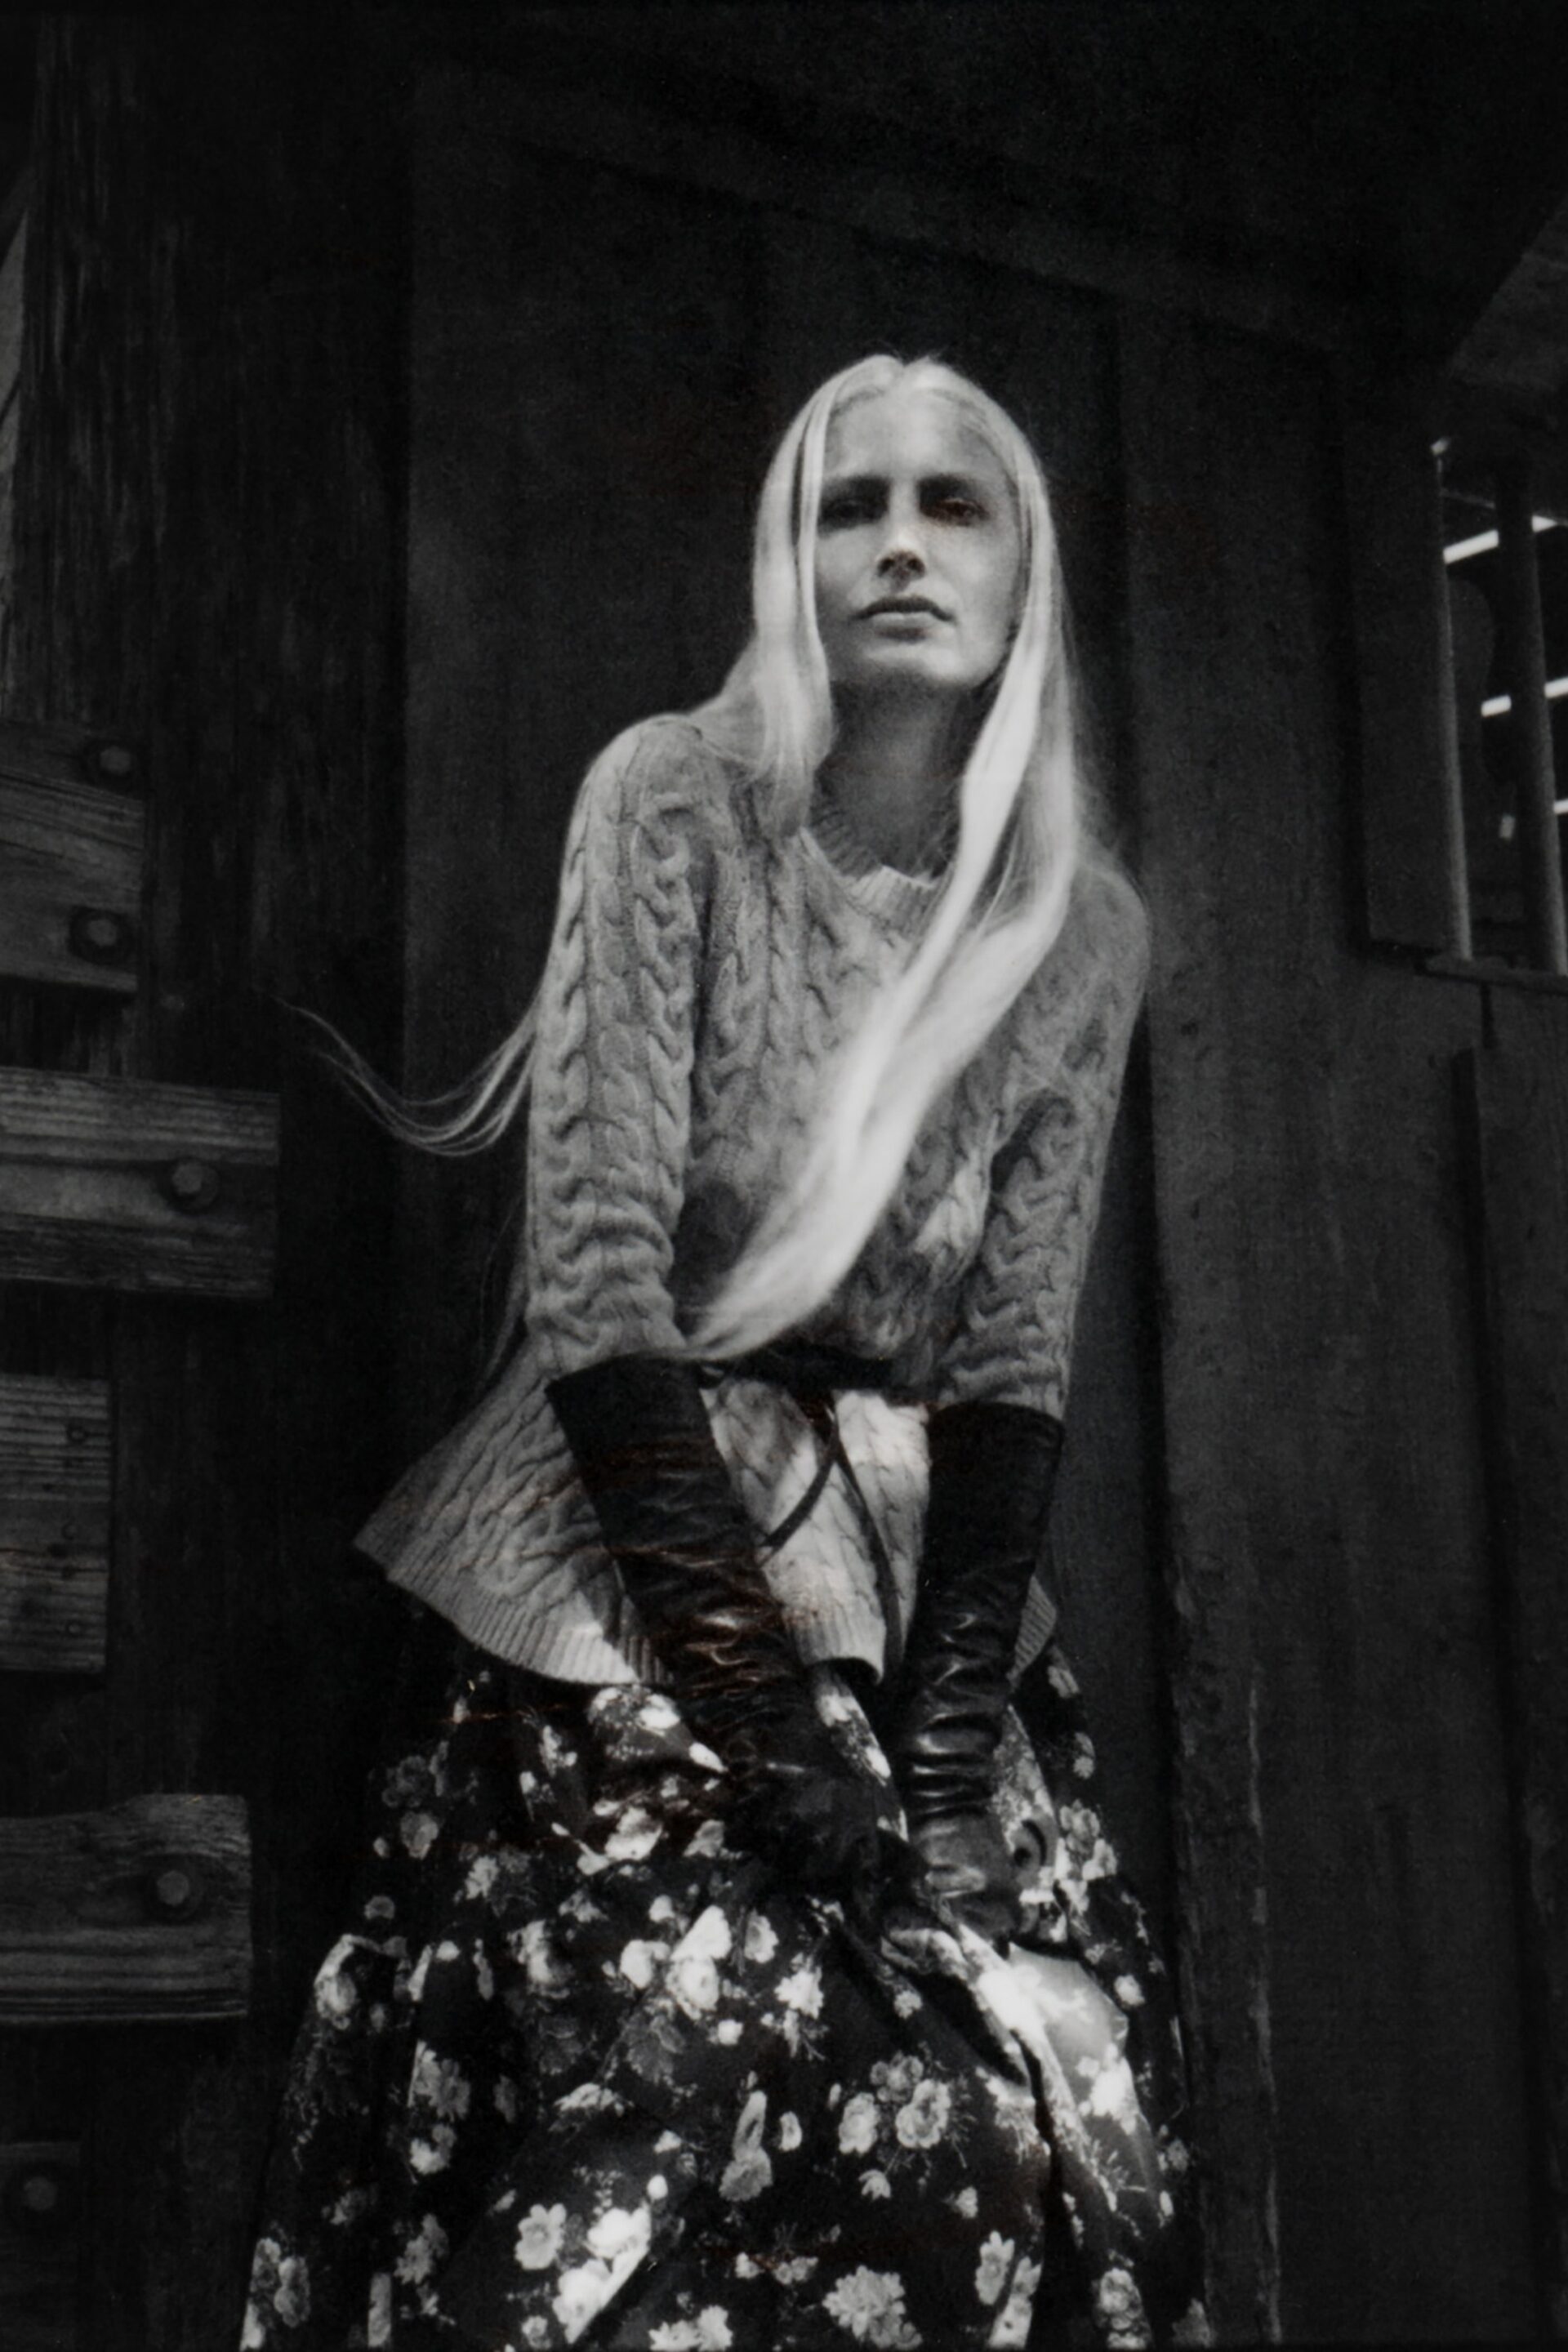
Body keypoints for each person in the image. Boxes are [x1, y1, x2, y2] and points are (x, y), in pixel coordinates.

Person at [241, 355, 1209, 2351]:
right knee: (691, 2036)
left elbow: (1014, 1358)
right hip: (633, 1542)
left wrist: (945, 1772)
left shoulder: (1076, 930)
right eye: (854, 505)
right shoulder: (672, 800)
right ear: (792, 558)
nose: (903, 546)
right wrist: (771, 1749)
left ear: (1024, 576)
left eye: (955, 505)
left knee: (1044, 2097)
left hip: (912, 1576)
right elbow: (599, 1275)